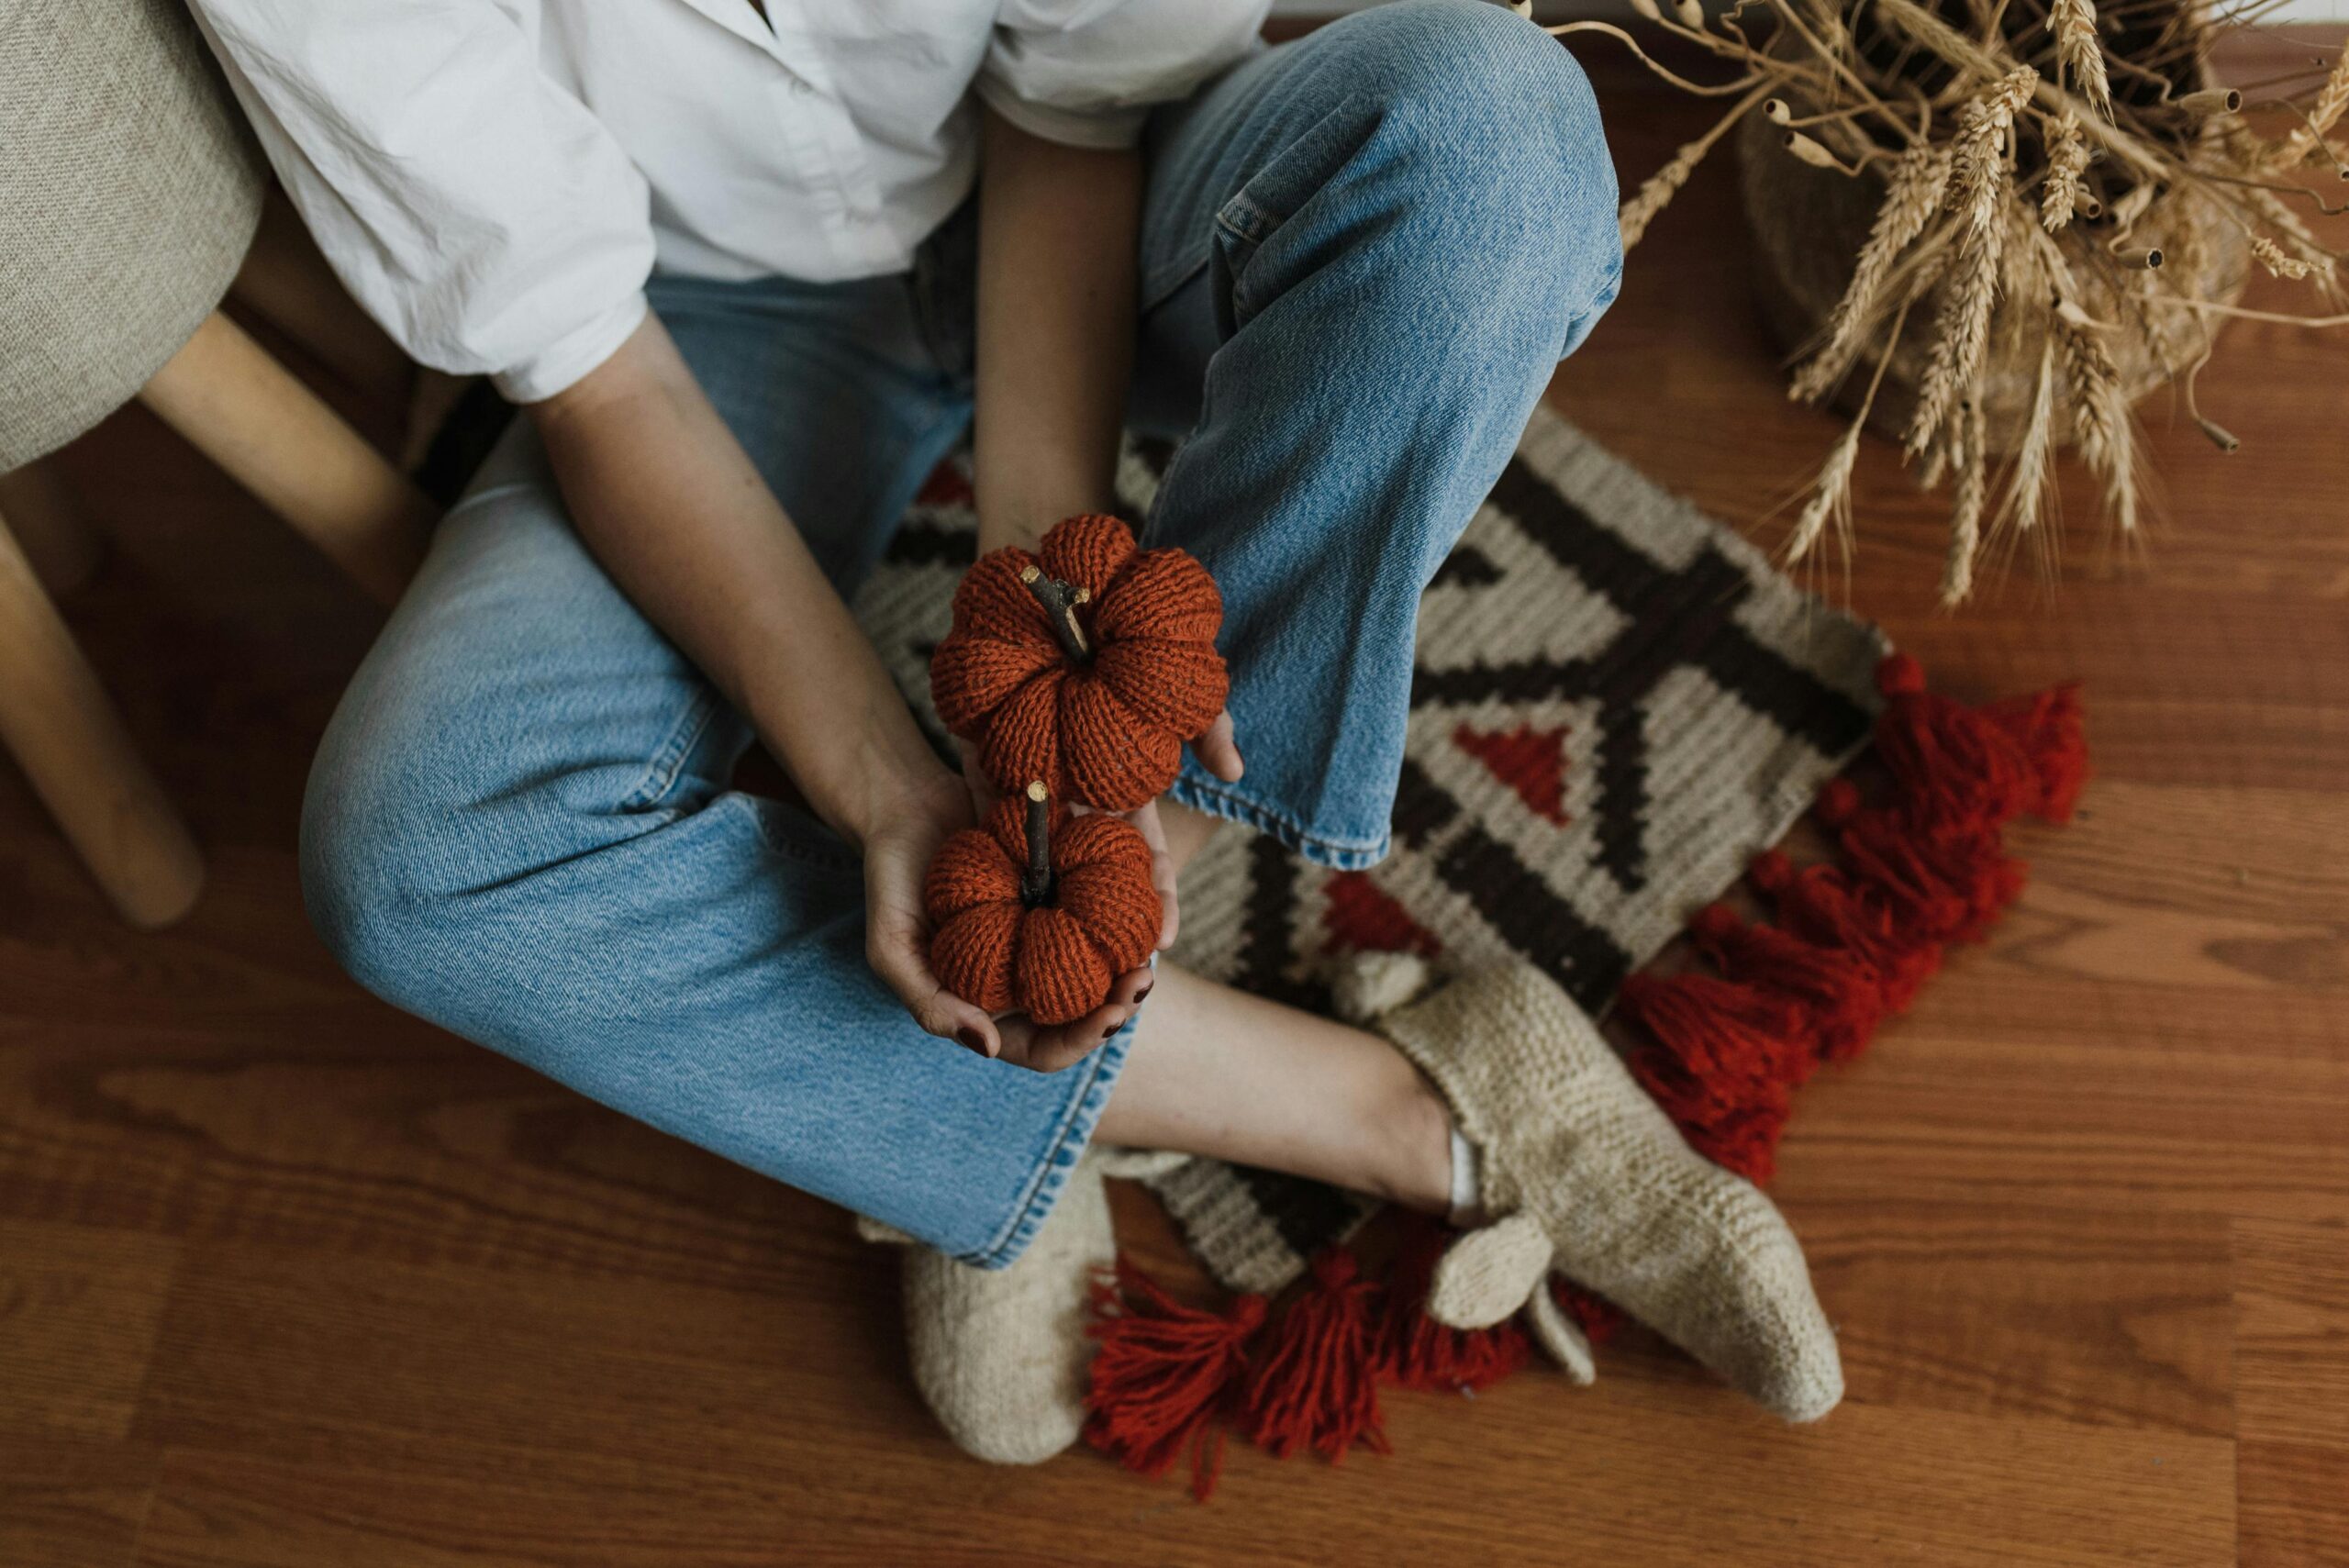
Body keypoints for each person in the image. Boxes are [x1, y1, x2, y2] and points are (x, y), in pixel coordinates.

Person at [190, 0, 1841, 1463]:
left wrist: (1064, 709)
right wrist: (893, 789)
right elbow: (598, 373)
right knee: (424, 854)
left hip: (1081, 188)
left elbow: (1069, 113)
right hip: (688, 328)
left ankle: (1066, 939)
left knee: (1489, 134)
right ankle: (1411, 1107)